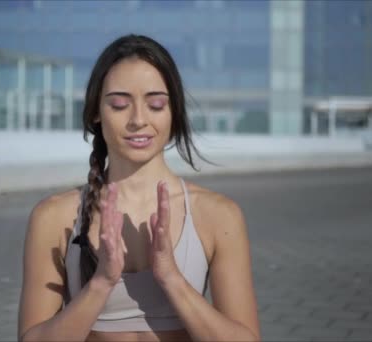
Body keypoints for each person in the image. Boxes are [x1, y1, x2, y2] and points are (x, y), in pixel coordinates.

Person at [18, 34, 260, 342]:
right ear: (96, 112)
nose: (138, 120)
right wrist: (101, 282)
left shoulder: (218, 215)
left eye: (156, 104)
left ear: (174, 112)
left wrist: (172, 279)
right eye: (119, 105)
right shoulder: (53, 217)